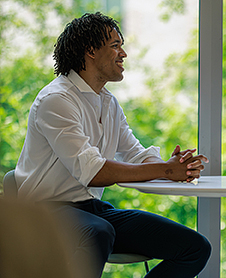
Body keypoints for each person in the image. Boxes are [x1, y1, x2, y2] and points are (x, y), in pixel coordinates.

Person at [15, 12, 211, 278]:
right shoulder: (56, 99)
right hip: (45, 214)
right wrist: (165, 171)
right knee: (98, 233)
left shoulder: (108, 103)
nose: (124, 54)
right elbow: (93, 172)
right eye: (115, 45)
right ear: (91, 50)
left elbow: (136, 155)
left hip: (91, 211)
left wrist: (176, 168)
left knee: (195, 247)